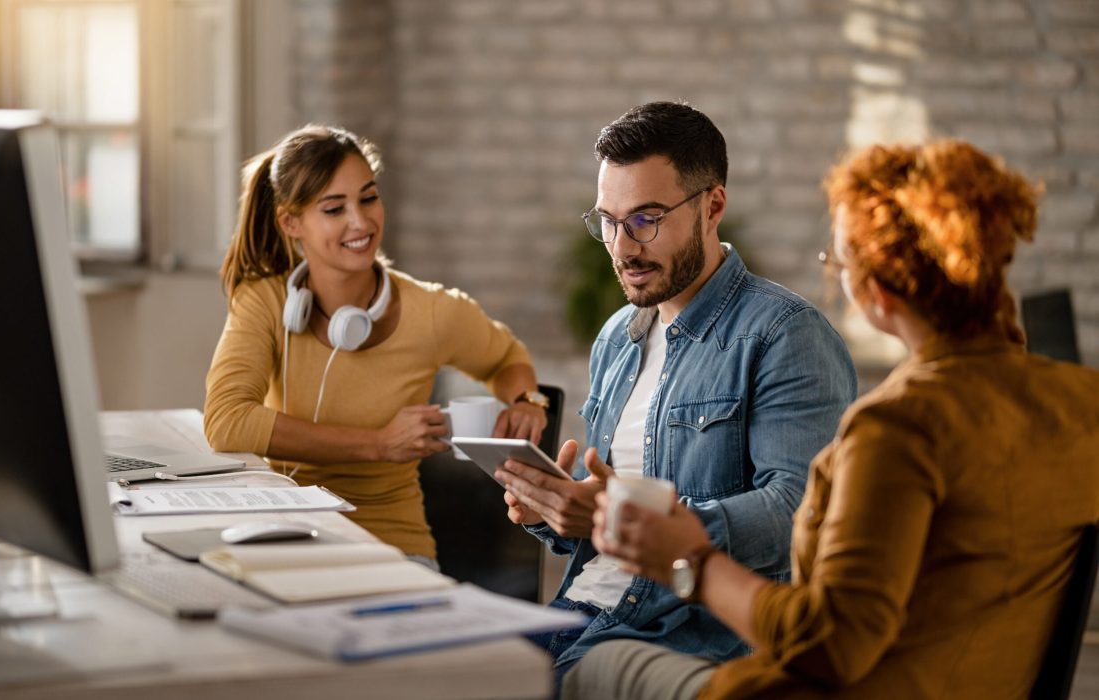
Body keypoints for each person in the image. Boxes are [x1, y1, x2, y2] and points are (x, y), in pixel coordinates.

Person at [565, 140, 1099, 700]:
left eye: (839, 262)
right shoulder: (1081, 402)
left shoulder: (897, 428)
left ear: (879, 292)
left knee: (588, 670)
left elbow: (828, 646)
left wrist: (690, 559)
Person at [493, 102, 857, 685]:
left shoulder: (784, 334)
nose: (622, 247)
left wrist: (637, 520)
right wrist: (559, 510)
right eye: (609, 221)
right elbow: (604, 516)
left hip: (684, 631)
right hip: (581, 612)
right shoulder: (617, 336)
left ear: (713, 206)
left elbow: (802, 510)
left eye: (647, 218)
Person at [204, 125, 548, 567]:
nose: (361, 222)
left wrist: (527, 400)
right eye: (334, 208)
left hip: (393, 544)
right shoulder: (265, 301)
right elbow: (228, 421)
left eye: (368, 198)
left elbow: (506, 357)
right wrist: (377, 444)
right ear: (291, 222)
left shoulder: (434, 312)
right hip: (285, 533)